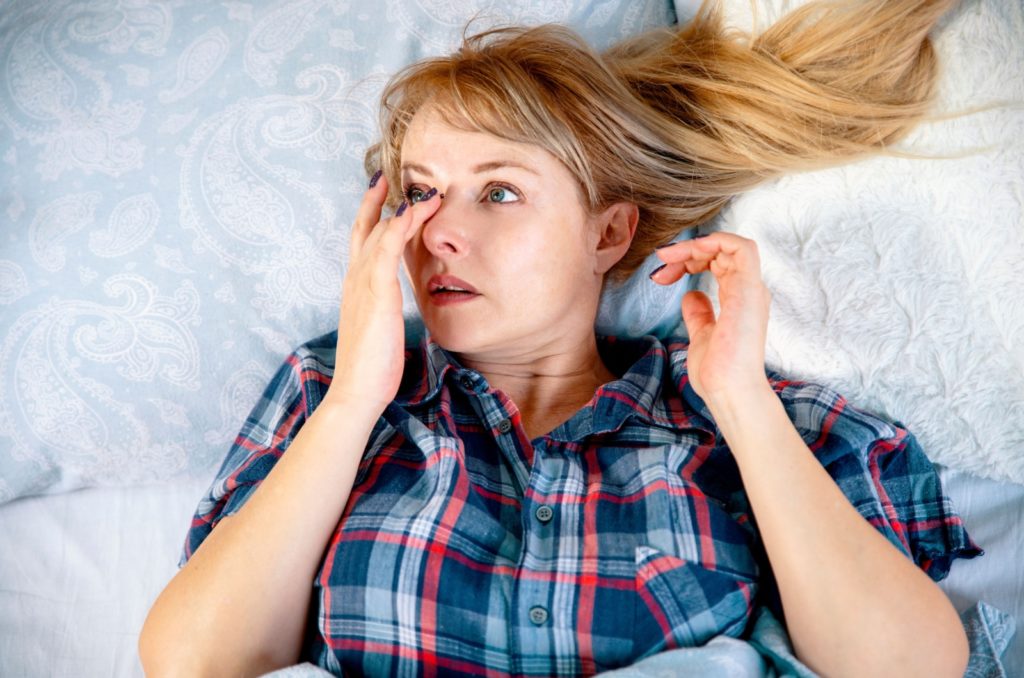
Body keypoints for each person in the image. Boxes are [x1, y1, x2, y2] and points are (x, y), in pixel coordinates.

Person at [139, 0, 982, 676]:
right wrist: (358, 398)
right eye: (422, 192)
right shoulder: (332, 391)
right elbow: (193, 662)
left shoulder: (746, 419)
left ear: (608, 234)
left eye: (499, 192)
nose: (440, 234)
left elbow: (908, 667)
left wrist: (743, 404)